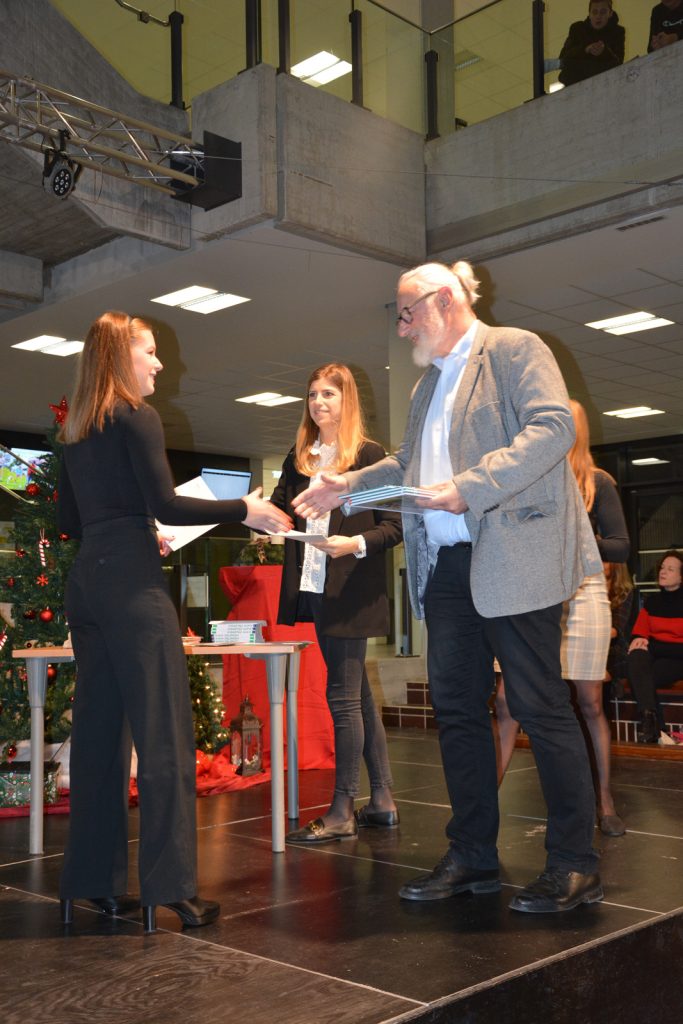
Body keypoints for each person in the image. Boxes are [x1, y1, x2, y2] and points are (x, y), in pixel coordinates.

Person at [292, 261, 604, 914]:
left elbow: (553, 428)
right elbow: (408, 464)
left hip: (514, 557)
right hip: (448, 569)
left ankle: (574, 863)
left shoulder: (514, 349)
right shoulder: (427, 385)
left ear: (442, 302)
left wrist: (471, 487)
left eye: (407, 313)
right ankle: (472, 856)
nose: (403, 327)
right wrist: (348, 486)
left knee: (540, 707)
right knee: (458, 712)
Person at [57, 311, 292, 933]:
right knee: (164, 736)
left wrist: (133, 527)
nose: (159, 362)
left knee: (99, 737)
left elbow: (70, 521)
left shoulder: (75, 429)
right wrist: (245, 508)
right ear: (121, 357)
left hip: (88, 584)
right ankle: (171, 889)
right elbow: (164, 501)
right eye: (150, 351)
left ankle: (92, 884)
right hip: (133, 587)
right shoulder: (137, 415)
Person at [270, 363, 402, 844]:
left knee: (342, 699)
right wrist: (258, 515)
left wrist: (354, 544)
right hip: (315, 587)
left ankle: (343, 808)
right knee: (357, 695)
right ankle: (382, 800)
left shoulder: (369, 456)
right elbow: (281, 511)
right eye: (312, 395)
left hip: (352, 589)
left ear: (348, 401)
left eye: (329, 393)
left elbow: (395, 526)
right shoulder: (299, 458)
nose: (318, 402)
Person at [494, 400, 630, 838]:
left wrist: (576, 537)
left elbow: (621, 546)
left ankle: (604, 801)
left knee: (590, 702)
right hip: (531, 593)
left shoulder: (598, 482)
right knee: (506, 701)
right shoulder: (525, 474)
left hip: (584, 591)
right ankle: (483, 806)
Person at [626, 550, 683, 742]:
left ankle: (653, 727)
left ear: (681, 577)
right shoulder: (652, 603)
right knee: (636, 655)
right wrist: (639, 640)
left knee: (643, 676)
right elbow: (639, 633)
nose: (663, 572)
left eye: (670, 569)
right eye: (662, 567)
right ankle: (650, 721)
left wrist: (654, 646)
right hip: (656, 656)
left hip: (678, 660)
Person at [559, 0, 625, 87]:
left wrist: (604, 52)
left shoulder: (617, 32)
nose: (598, 16)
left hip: (605, 85)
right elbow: (563, 59)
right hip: (574, 85)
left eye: (603, 12)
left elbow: (619, 64)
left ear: (610, 13)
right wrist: (585, 49)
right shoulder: (577, 29)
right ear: (589, 14)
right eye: (594, 12)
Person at [604, 560, 636, 687]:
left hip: (615, 648)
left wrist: (591, 636)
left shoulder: (625, 592)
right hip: (592, 646)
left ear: (617, 566)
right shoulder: (588, 591)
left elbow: (616, 629)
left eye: (605, 561)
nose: (600, 565)